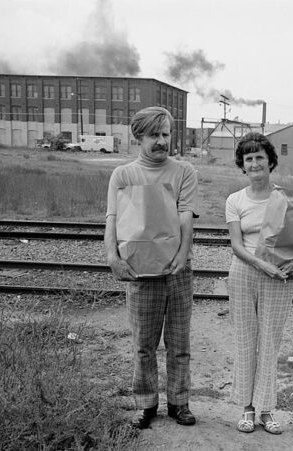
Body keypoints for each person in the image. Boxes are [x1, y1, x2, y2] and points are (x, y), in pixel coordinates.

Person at [225, 132, 293, 434]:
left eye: (260, 157)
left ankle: (266, 409)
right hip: (244, 273)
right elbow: (236, 245)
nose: (254, 163)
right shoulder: (235, 200)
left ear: (270, 162)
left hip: (280, 276)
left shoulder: (287, 198)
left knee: (270, 341)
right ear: (242, 165)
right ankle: (247, 408)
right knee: (245, 340)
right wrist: (262, 265)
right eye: (248, 159)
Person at [104, 106, 198, 429]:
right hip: (141, 273)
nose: (161, 141)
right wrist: (112, 258)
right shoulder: (123, 176)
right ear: (138, 137)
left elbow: (185, 217)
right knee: (144, 345)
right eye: (154, 135)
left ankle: (179, 403)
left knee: (179, 343)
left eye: (166, 134)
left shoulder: (184, 172)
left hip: (177, 271)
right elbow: (112, 219)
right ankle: (146, 405)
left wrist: (183, 255)